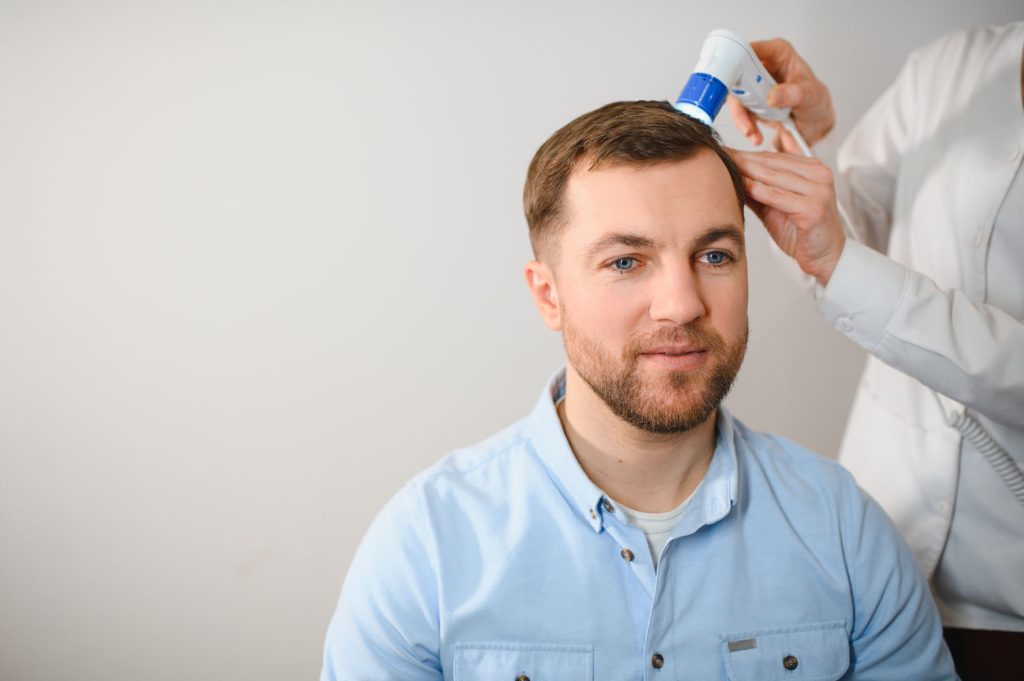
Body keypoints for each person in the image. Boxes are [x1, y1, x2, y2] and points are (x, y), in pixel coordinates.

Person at [320, 100, 956, 680]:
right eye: (626, 262)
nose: (680, 306)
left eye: (714, 256)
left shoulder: (845, 530)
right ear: (549, 294)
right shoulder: (427, 545)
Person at [727, 23, 1024, 678]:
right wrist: (800, 137)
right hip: (873, 556)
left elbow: (848, 268)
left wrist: (840, 261)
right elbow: (839, 240)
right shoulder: (951, 68)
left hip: (1007, 609)